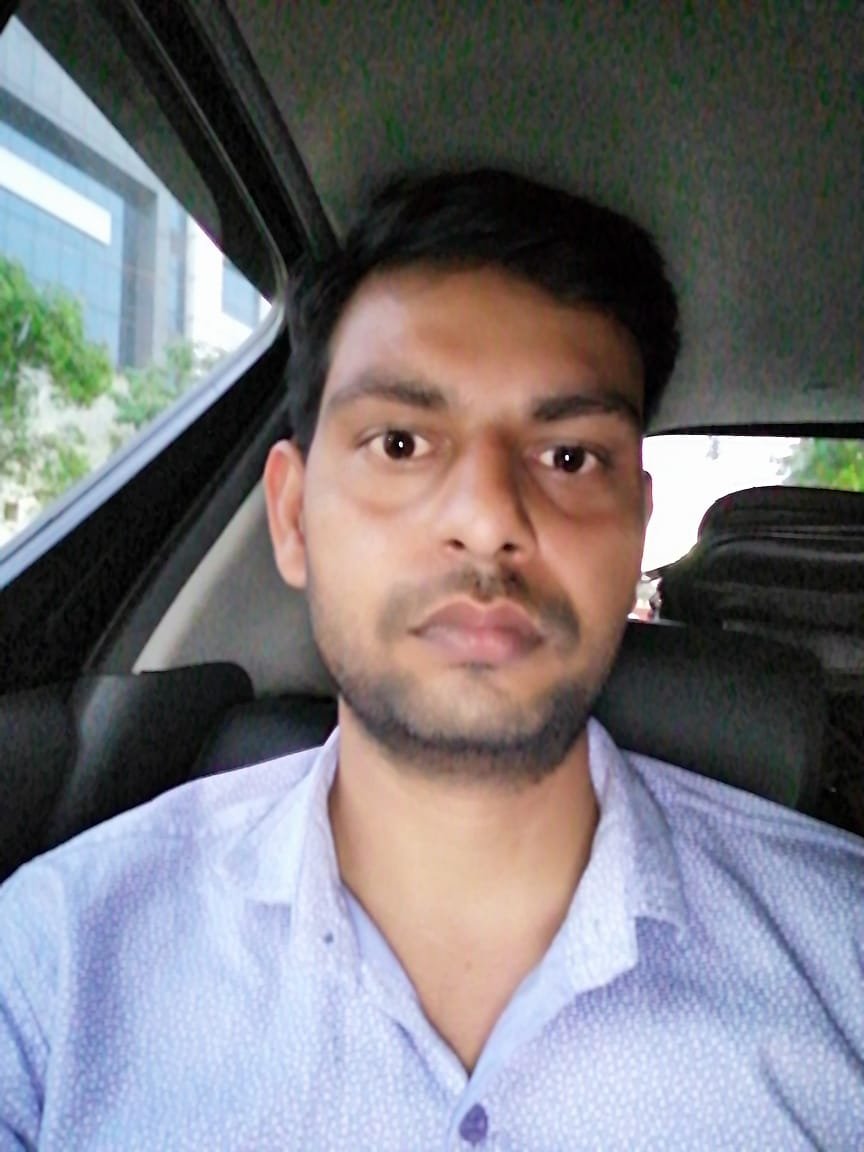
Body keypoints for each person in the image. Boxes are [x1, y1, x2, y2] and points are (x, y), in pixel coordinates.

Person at [0, 169, 862, 1150]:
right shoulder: (57, 968)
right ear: (293, 518)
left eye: (570, 457)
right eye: (402, 443)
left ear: (636, 535)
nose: (488, 518)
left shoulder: (844, 956)